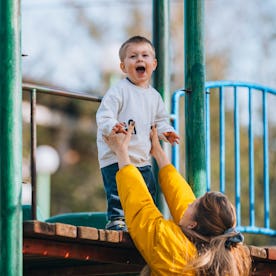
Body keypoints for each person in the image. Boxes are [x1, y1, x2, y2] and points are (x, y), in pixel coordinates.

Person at [103, 123, 252, 276]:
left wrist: (121, 151)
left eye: (192, 205)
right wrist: (158, 153)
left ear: (193, 224)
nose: (188, 204)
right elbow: (181, 198)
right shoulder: (217, 250)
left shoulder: (173, 250)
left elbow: (141, 209)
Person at [96, 35, 179, 231]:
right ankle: (117, 220)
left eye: (145, 55)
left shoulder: (154, 96)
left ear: (154, 63)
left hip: (141, 158)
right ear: (123, 67)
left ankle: (144, 222)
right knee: (118, 191)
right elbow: (104, 115)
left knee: (147, 191)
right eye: (133, 56)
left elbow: (160, 120)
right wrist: (113, 126)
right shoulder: (118, 91)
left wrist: (166, 132)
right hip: (115, 156)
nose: (140, 59)